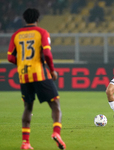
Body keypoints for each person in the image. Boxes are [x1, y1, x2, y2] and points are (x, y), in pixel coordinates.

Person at [7, 8, 66, 149]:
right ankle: (56, 133)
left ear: (24, 20)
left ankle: (25, 142)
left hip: (23, 75)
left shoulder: (16, 34)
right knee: (55, 104)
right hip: (39, 73)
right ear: (37, 20)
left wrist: (21, 63)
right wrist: (52, 70)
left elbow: (10, 57)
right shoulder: (42, 32)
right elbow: (47, 54)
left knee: (28, 107)